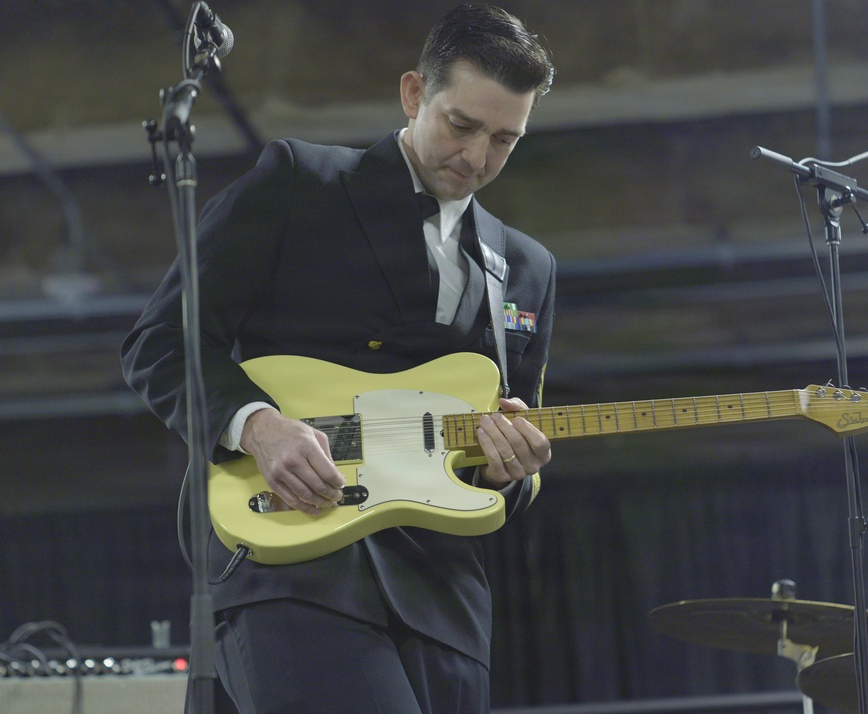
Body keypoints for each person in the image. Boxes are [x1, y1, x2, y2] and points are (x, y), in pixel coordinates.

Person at [121, 4, 556, 712]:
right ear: (414, 94)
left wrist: (513, 467)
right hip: (294, 563)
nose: (477, 158)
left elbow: (512, 438)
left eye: (506, 139)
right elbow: (161, 340)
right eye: (462, 125)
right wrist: (256, 426)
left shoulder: (528, 266)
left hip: (443, 600)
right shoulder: (300, 182)